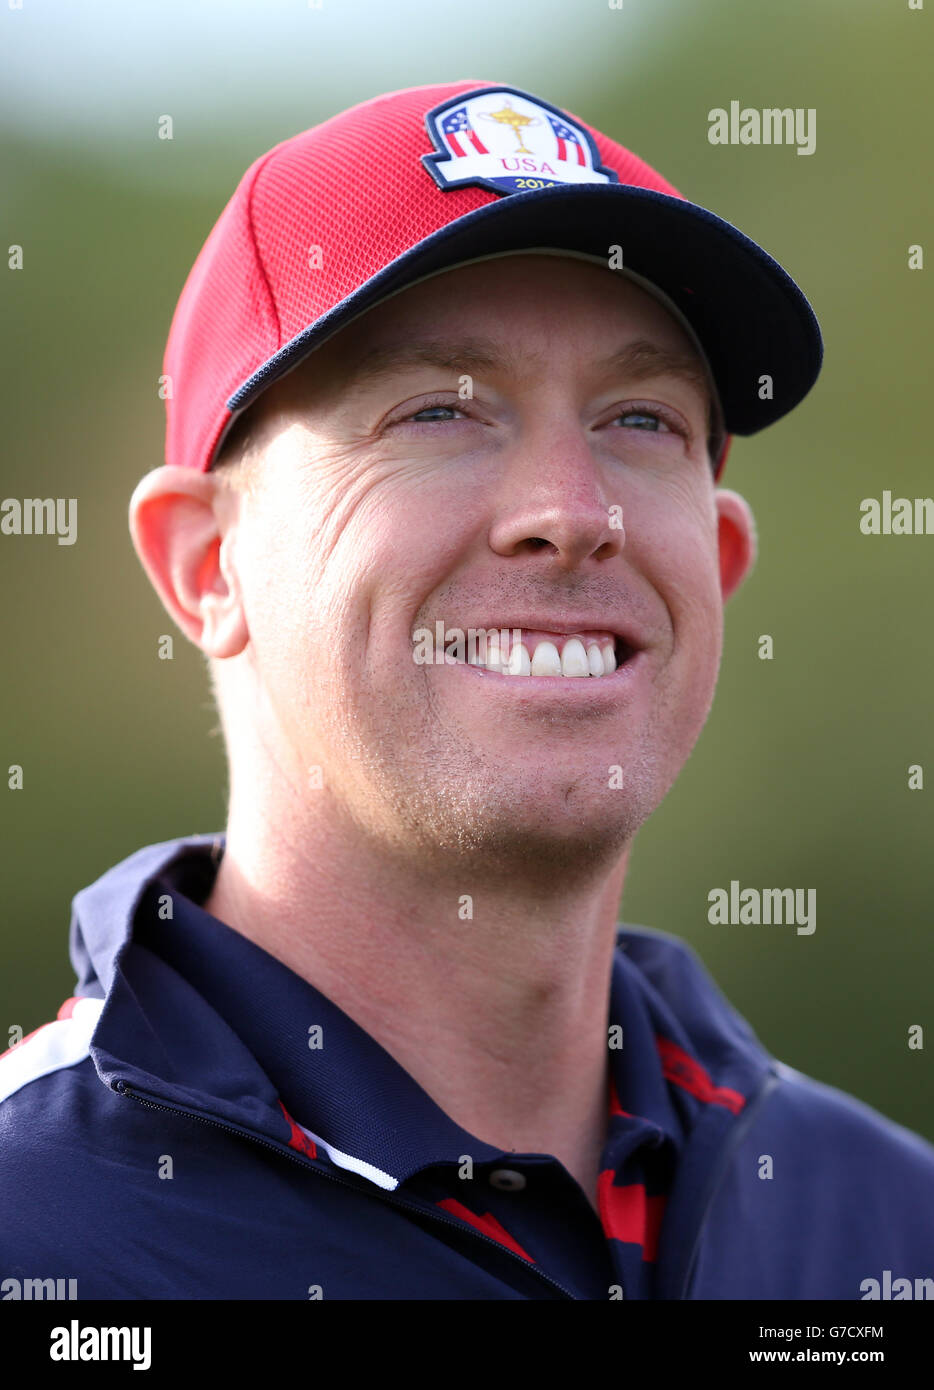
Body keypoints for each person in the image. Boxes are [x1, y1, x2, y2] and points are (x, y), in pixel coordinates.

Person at [2, 81, 931, 1302]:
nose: (568, 512)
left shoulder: (886, 1227)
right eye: (438, 409)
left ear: (719, 562)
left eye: (639, 417)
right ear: (206, 565)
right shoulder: (36, 1237)